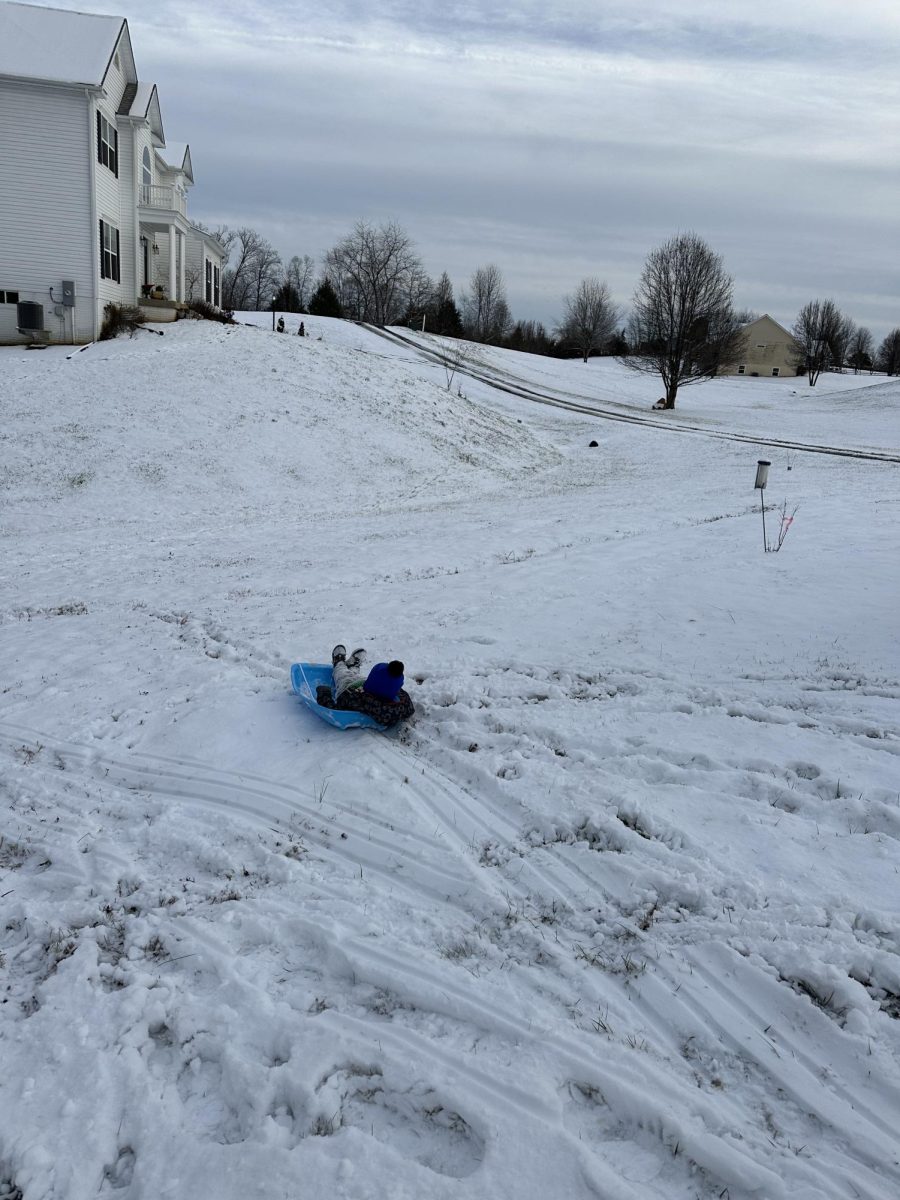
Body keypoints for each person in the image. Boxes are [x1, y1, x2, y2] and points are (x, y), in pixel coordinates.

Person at [316, 645, 414, 728]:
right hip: (363, 684)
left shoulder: (364, 703)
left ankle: (338, 662)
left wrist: (324, 695)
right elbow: (405, 702)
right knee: (357, 677)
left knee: (342, 674)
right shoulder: (402, 704)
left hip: (347, 689)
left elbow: (335, 711)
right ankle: (353, 667)